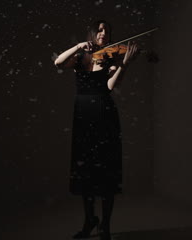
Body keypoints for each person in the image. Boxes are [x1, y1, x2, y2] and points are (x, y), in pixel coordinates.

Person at [54, 20, 138, 240]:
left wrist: (124, 63)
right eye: (99, 30)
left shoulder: (111, 58)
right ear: (92, 33)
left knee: (106, 170)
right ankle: (89, 220)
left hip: (104, 114)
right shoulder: (81, 58)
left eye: (107, 31)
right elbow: (58, 63)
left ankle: (105, 226)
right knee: (86, 171)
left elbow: (111, 86)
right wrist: (79, 45)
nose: (103, 34)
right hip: (83, 116)